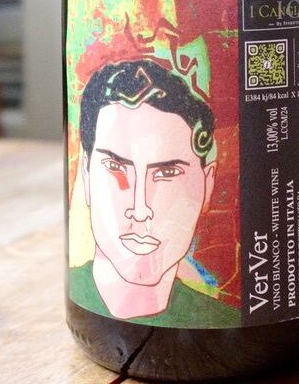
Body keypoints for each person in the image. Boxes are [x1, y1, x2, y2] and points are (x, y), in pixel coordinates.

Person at [70, 57, 239, 326]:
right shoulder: (77, 287)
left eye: (167, 173)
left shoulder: (224, 319)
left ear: (207, 185)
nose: (140, 210)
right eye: (115, 167)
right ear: (86, 174)